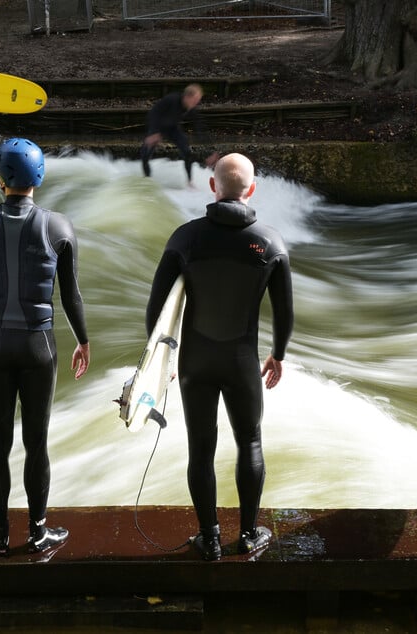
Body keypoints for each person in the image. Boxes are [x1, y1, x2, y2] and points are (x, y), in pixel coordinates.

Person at [145, 152, 293, 561]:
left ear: (213, 187)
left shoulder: (186, 238)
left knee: (200, 448)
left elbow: (156, 309)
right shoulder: (270, 243)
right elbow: (285, 312)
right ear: (252, 189)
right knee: (250, 441)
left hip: (195, 360)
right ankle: (247, 535)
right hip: (243, 360)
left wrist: (160, 363)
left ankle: (208, 537)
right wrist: (277, 354)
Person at [0, 138, 90, 557]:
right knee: (36, 441)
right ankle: (38, 531)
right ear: (40, 178)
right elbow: (72, 296)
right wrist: (83, 340)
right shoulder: (59, 227)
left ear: (0, 178)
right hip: (38, 347)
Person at [140, 84, 218, 185]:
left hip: (172, 128)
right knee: (145, 153)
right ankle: (147, 179)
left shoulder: (190, 108)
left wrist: (211, 152)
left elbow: (200, 127)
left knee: (187, 152)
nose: (196, 103)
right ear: (187, 97)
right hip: (158, 127)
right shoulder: (171, 99)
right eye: (195, 100)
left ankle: (189, 182)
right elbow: (153, 114)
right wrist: (154, 133)